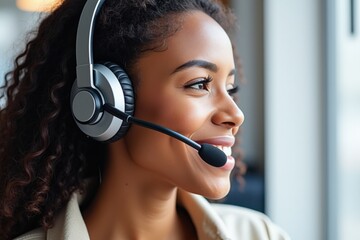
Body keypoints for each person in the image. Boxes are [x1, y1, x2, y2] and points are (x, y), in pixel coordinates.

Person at [0, 0, 290, 239]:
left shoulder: (260, 234)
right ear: (105, 102)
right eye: (200, 84)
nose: (235, 115)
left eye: (230, 89)